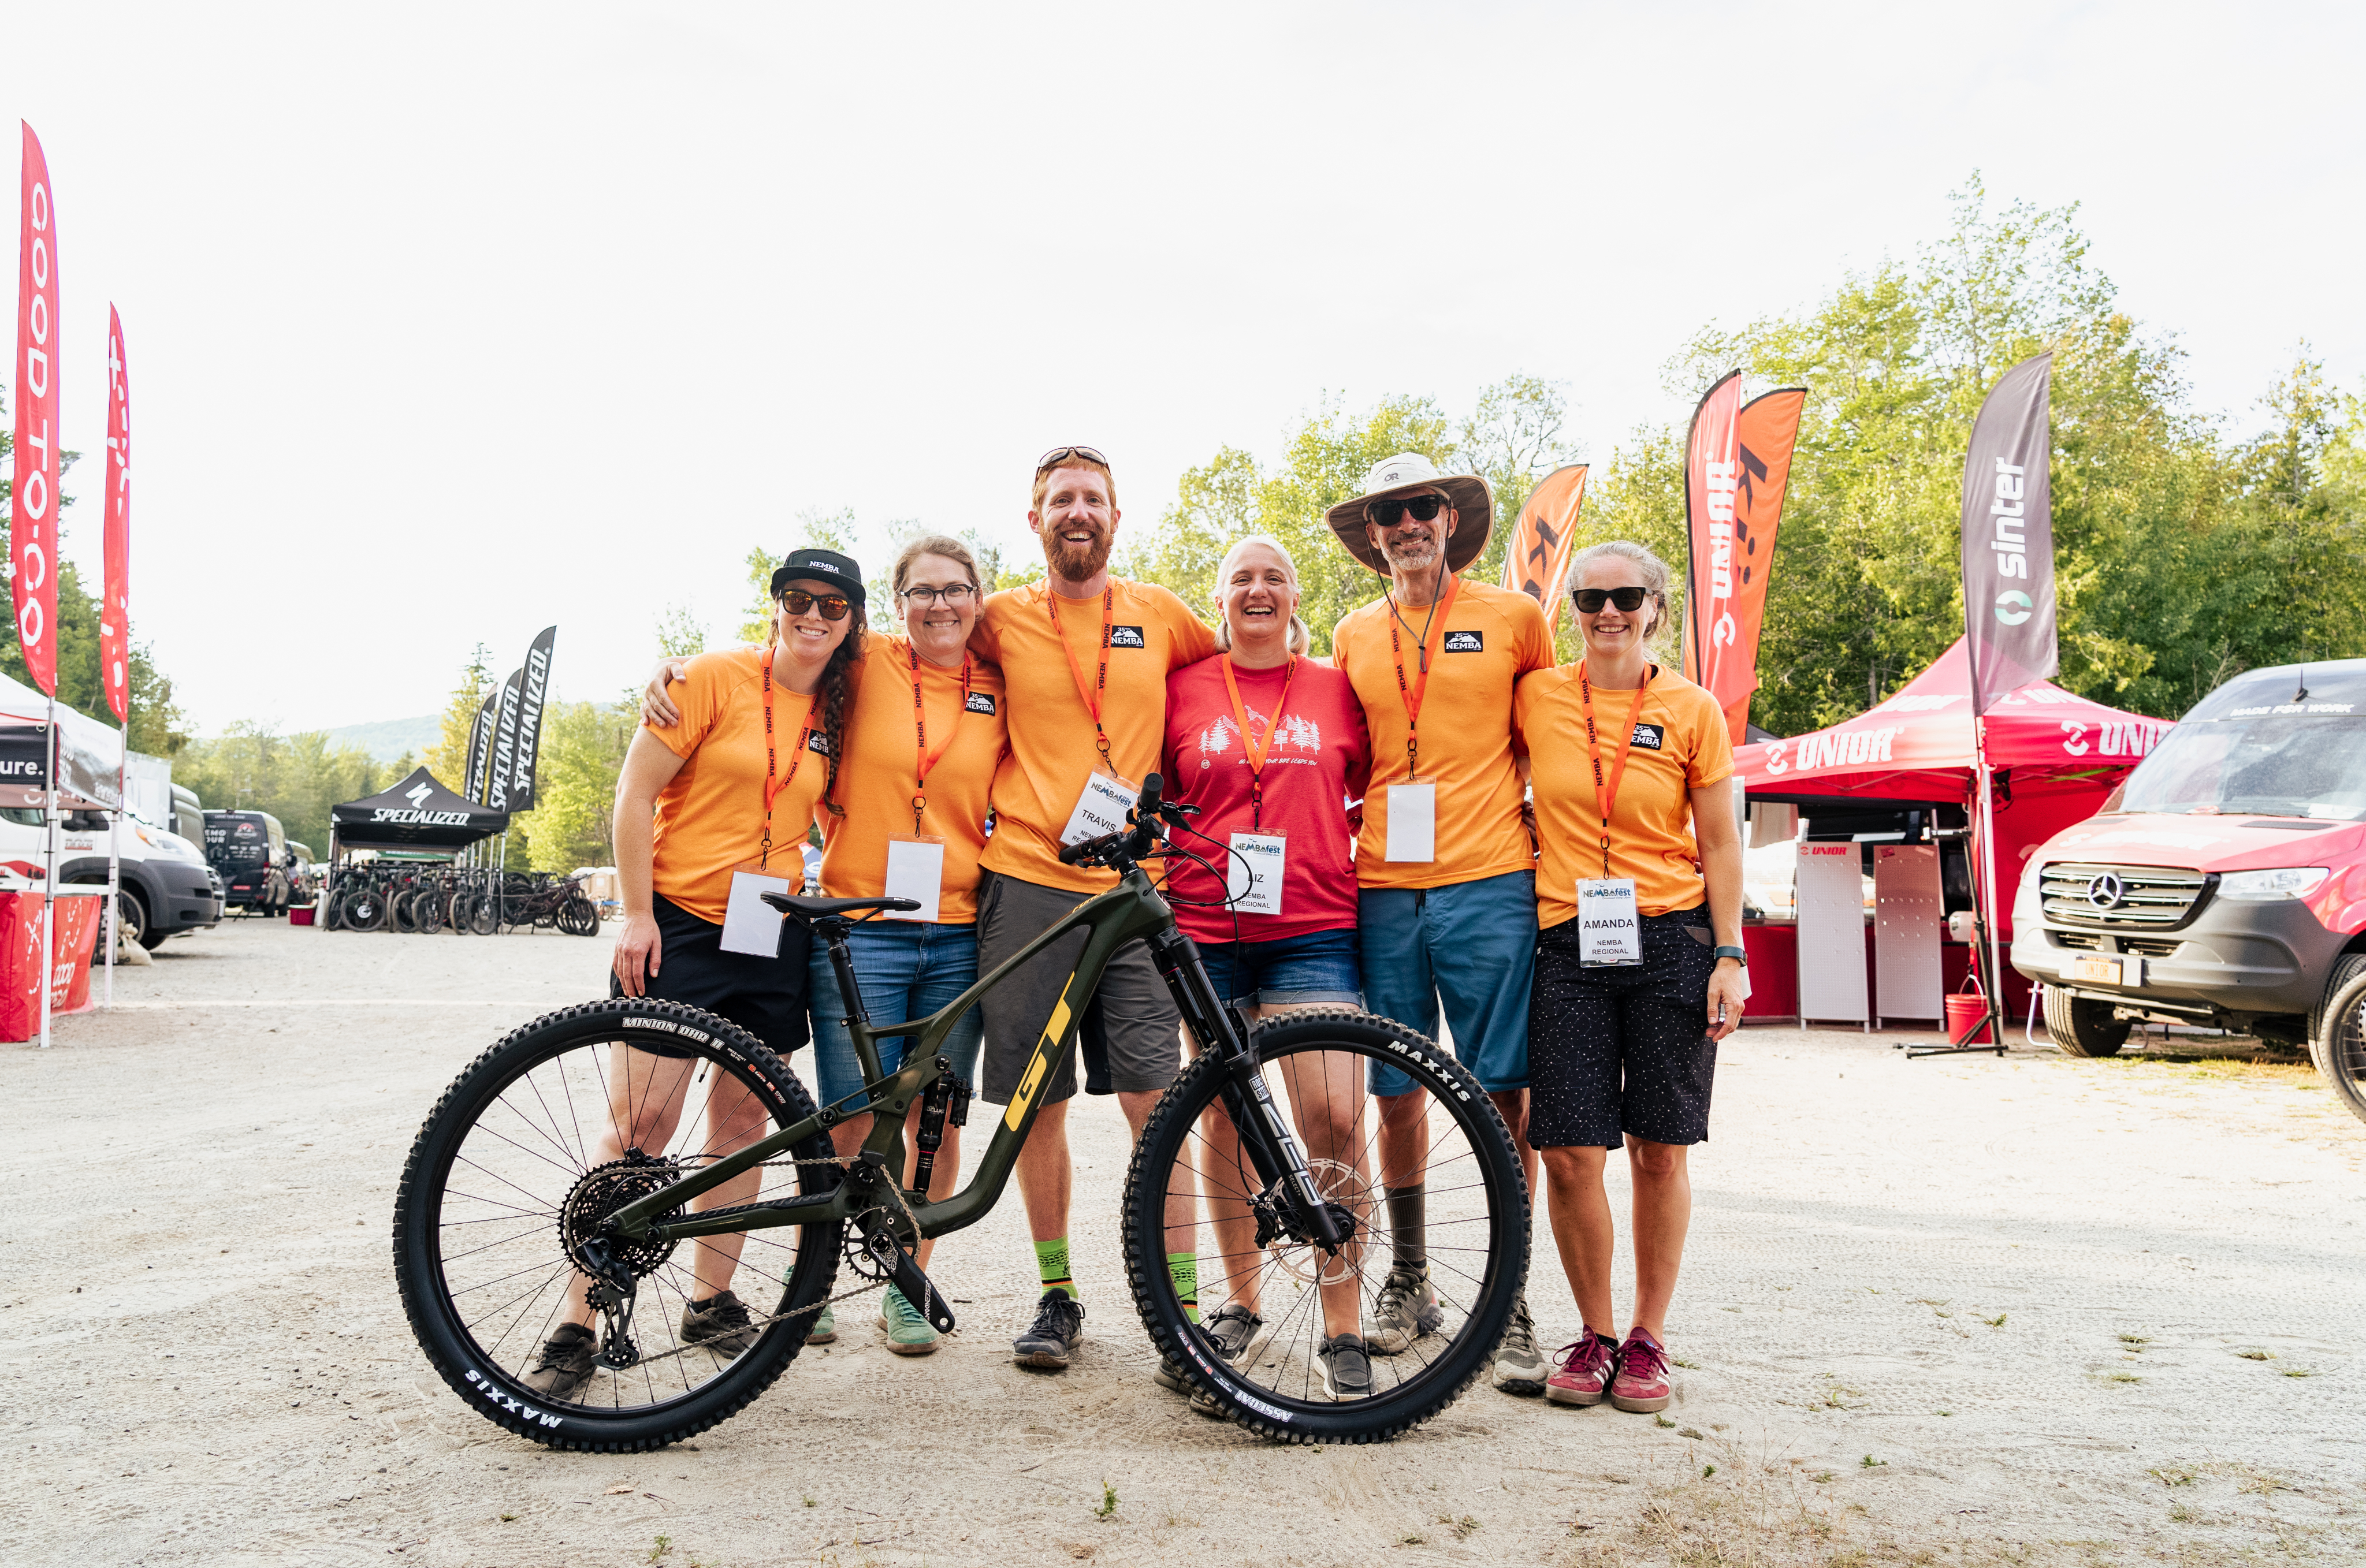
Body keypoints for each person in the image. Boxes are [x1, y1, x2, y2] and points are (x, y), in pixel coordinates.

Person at [525, 546, 868, 1401]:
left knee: (746, 1115)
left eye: (833, 605)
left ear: (853, 619)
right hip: (678, 922)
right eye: (799, 599)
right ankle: (579, 1319)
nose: (814, 617)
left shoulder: (838, 703)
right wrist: (634, 914)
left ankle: (711, 1300)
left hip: (769, 928)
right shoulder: (711, 678)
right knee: (642, 1122)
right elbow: (634, 794)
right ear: (777, 605)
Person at [966, 446, 1217, 1375]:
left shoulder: (1163, 616)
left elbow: (1249, 673)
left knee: (1161, 1103)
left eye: (1094, 500)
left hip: (1131, 892)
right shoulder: (997, 618)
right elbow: (902, 645)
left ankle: (1183, 1309)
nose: (1079, 512)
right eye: (1061, 500)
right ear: (1035, 521)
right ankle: (1058, 1295)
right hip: (1029, 881)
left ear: (1118, 517)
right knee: (1040, 1105)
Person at [1322, 453, 1557, 1396]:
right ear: (1371, 535)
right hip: (1382, 884)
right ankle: (1411, 1279)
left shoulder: (1516, 619)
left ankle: (1511, 1299)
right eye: (1390, 513)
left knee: (1505, 1091)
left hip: (1492, 880)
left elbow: (1556, 742)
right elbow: (1342, 761)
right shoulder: (1349, 634)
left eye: (1423, 507)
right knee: (1395, 1089)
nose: (1408, 523)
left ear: (1450, 519)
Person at [1512, 540, 1746, 1414]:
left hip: (1675, 941)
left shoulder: (1692, 708)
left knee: (1658, 1150)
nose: (1606, 612)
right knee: (1570, 1152)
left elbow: (1721, 841)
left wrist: (1730, 955)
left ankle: (1648, 1337)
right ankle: (1596, 1332)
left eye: (1624, 597)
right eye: (1589, 598)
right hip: (1569, 943)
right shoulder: (1536, 696)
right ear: (1571, 608)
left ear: (1654, 604)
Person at [1159, 534, 1375, 1402]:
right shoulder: (1182, 689)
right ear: (1219, 601)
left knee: (1334, 1117)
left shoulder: (1336, 690)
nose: (1258, 590)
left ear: (1294, 600)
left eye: (1274, 579)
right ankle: (1242, 1305)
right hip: (1205, 928)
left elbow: (1376, 779)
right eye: (1241, 578)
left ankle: (1344, 1317)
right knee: (1223, 1113)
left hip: (1315, 921)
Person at [802, 535, 1008, 1355]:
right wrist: (674, 676)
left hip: (958, 933)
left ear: (976, 599)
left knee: (935, 1121)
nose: (940, 605)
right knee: (849, 1116)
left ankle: (906, 1282)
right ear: (897, 604)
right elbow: (775, 663)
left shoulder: (999, 684)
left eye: (956, 590)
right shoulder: (862, 663)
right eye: (922, 592)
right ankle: (811, 1278)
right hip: (860, 930)